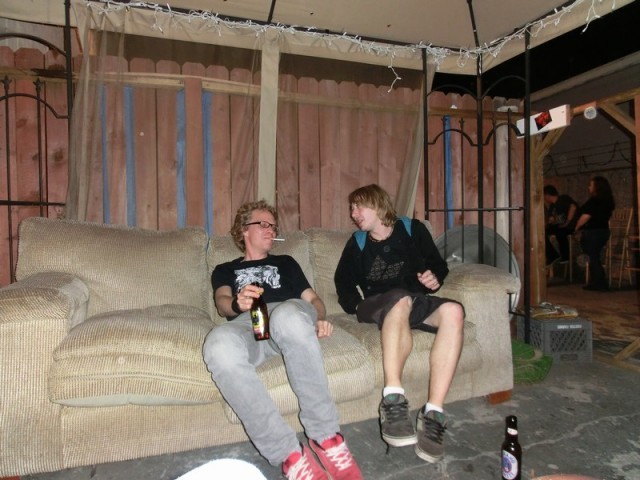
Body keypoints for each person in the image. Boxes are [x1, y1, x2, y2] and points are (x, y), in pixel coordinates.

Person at [203, 200, 362, 480]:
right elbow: (222, 303)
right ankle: (290, 456)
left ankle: (326, 438)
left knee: (287, 316)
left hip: (290, 317)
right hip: (248, 326)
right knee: (218, 345)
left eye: (273, 226)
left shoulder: (285, 263)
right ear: (244, 229)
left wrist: (319, 318)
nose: (271, 230)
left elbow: (314, 300)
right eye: (263, 224)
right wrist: (238, 304)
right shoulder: (224, 269)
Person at [333, 184, 465, 464]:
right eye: (352, 208)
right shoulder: (357, 243)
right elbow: (342, 283)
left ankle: (434, 413)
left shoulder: (412, 229)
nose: (353, 213)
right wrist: (355, 306)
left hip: (412, 301)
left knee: (454, 311)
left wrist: (434, 278)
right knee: (400, 299)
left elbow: (438, 264)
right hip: (377, 304)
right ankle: (392, 399)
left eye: (359, 206)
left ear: (378, 204)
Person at [573, 176, 615, 291]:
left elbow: (586, 216)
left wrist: (576, 227)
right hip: (603, 231)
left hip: (593, 232)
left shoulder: (595, 200)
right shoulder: (607, 200)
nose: (588, 187)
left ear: (597, 186)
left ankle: (600, 283)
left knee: (592, 257)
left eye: (590, 185)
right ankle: (597, 282)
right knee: (594, 256)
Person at [544, 185, 579, 266]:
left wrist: (567, 222)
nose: (544, 198)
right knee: (542, 233)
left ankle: (566, 257)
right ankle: (553, 255)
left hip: (570, 226)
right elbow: (552, 219)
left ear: (547, 195)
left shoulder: (563, 198)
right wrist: (551, 221)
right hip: (560, 226)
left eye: (544, 196)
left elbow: (573, 207)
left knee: (560, 232)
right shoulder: (552, 206)